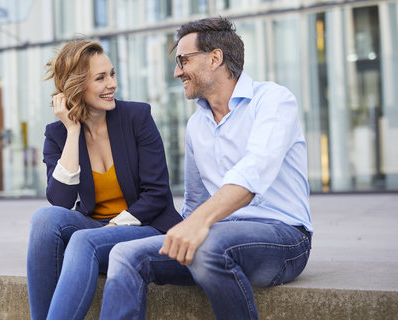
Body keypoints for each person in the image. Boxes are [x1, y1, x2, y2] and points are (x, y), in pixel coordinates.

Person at [99, 17, 313, 320]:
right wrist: (164, 231)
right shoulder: (196, 124)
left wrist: (198, 223)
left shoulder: (274, 100)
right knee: (125, 253)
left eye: (183, 60)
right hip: (216, 237)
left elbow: (253, 171)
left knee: (208, 246)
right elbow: (195, 203)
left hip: (284, 239)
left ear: (215, 58)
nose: (177, 72)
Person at [26, 40, 182, 320]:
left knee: (84, 241)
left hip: (145, 227)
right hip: (95, 226)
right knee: (44, 219)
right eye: (100, 78)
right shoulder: (57, 134)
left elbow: (157, 194)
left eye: (112, 73)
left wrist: (111, 227)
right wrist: (72, 131)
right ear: (76, 87)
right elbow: (60, 201)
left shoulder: (137, 117)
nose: (112, 83)